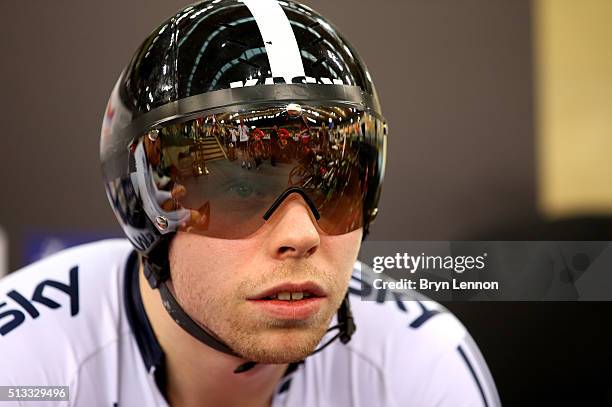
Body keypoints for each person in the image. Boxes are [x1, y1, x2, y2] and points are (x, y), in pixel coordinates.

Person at [0, 1, 500, 406]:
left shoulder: (417, 364)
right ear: (145, 209)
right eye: (240, 191)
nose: (302, 236)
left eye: (334, 186)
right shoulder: (24, 366)